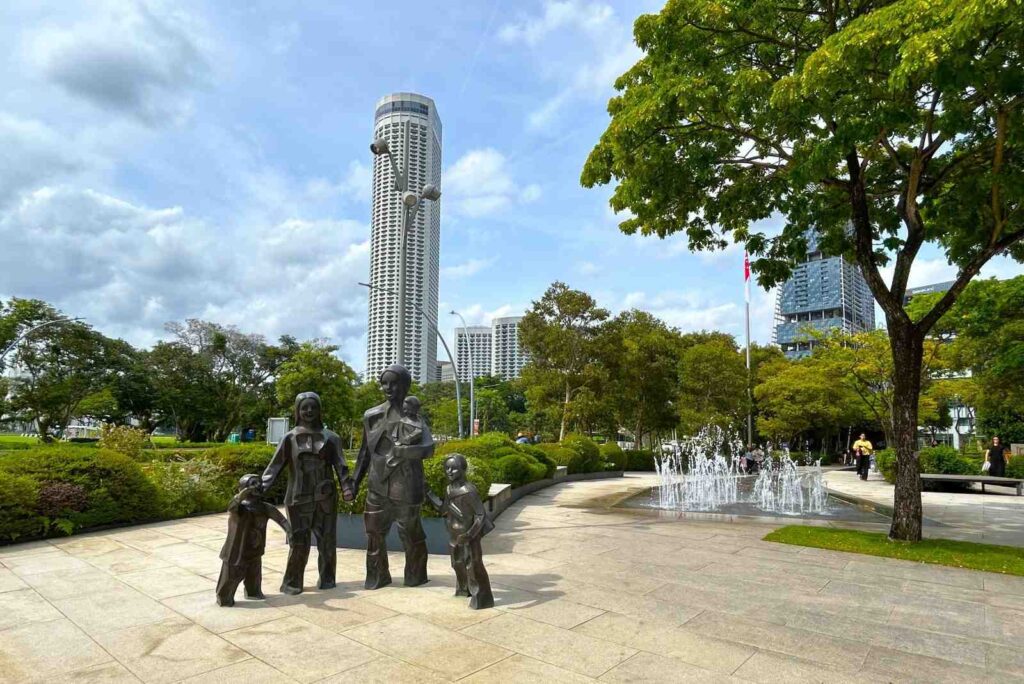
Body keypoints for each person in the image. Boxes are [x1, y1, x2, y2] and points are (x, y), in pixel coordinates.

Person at [262, 392, 354, 595]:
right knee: (298, 541)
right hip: (298, 497)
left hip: (325, 497)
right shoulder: (289, 438)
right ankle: (293, 582)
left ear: (320, 410)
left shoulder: (332, 438)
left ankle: (328, 579)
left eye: (313, 407)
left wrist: (346, 488)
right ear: (298, 411)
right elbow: (274, 466)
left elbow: (341, 465)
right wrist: (260, 487)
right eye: (304, 407)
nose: (309, 411)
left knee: (327, 541)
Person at [353, 364, 435, 590]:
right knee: (373, 532)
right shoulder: (371, 415)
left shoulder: (415, 418)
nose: (388, 388)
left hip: (406, 484)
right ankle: (377, 576)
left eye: (394, 383)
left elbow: (428, 448)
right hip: (377, 484)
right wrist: (353, 483)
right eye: (384, 383)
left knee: (410, 532)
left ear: (406, 386)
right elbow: (364, 453)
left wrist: (403, 452)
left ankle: (416, 575)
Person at [426, 454, 495, 609]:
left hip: (469, 536)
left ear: (463, 469)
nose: (449, 472)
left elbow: (480, 515)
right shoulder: (449, 489)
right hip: (454, 534)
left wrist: (470, 534)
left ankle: (482, 598)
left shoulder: (469, 491)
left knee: (473, 567)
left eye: (454, 468)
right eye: (447, 468)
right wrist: (429, 494)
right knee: (457, 564)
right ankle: (464, 590)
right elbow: (444, 509)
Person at [216, 474, 290, 607]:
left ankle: (253, 592)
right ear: (244, 488)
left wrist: (290, 532)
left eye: (259, 483)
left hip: (255, 548)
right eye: (253, 483)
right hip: (236, 550)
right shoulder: (239, 508)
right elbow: (231, 507)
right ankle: (224, 597)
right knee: (231, 576)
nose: (258, 486)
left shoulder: (265, 508)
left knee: (254, 574)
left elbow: (282, 520)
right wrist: (240, 496)